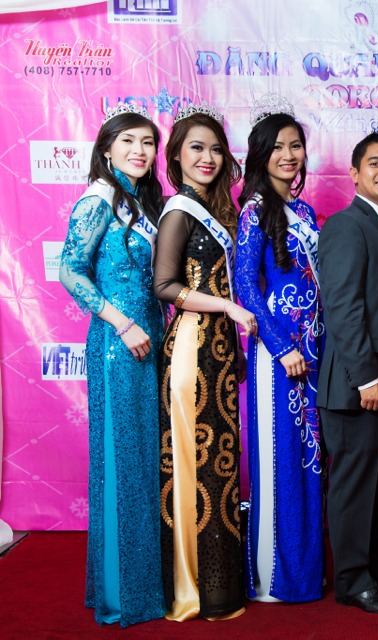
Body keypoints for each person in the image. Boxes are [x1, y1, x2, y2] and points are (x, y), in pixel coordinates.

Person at [59, 103, 165, 627]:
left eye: (147, 143)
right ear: (107, 149)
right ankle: (125, 595)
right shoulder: (100, 198)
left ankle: (141, 582)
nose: (140, 151)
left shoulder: (140, 200)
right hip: (118, 345)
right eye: (129, 142)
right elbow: (70, 271)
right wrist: (121, 323)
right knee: (122, 463)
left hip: (152, 342)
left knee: (144, 463)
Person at [154, 103, 253, 621]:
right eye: (196, 147)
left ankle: (220, 586)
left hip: (219, 351)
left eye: (216, 148)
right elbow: (166, 286)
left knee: (219, 469)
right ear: (176, 156)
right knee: (194, 465)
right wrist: (227, 306)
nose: (208, 157)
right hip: (193, 346)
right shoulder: (178, 211)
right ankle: (191, 588)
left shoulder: (218, 211)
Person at [316, 130, 378, 614]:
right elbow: (343, 308)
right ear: (354, 173)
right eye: (374, 163)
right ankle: (352, 581)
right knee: (355, 484)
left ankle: (372, 566)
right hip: (359, 384)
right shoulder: (345, 226)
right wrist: (366, 378)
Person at [235, 101, 324, 603]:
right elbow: (246, 288)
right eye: (278, 147)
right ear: (260, 155)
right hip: (278, 357)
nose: (288, 154)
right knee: (281, 462)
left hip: (313, 351)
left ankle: (306, 573)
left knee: (312, 461)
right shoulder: (254, 211)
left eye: (295, 145)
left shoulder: (307, 212)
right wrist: (281, 345)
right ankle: (275, 578)